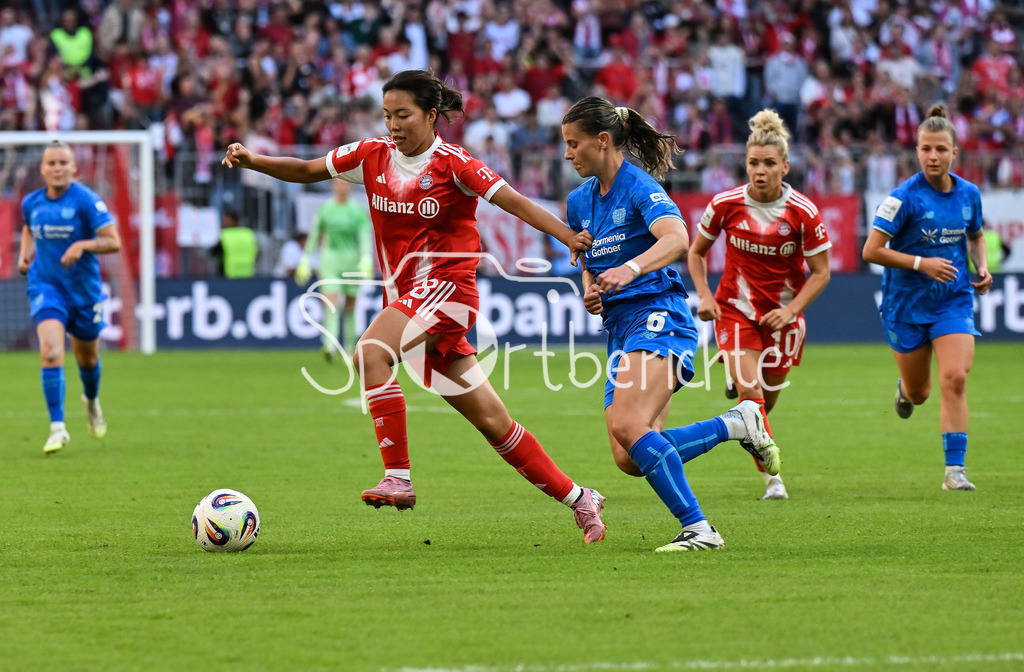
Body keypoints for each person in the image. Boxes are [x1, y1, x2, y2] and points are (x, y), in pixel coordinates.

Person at [222, 70, 606, 543]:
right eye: (387, 115)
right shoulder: (370, 156)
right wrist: (252, 160)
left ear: (430, 115)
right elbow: (306, 170)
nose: (393, 125)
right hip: (411, 303)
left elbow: (515, 202)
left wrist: (567, 235)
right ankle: (580, 498)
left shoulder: (455, 163)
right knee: (493, 422)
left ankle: (398, 478)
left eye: (403, 115)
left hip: (449, 291)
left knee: (369, 352)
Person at [561, 96, 781, 553]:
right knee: (629, 456)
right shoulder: (579, 201)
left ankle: (699, 528)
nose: (568, 154)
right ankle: (737, 423)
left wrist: (632, 269)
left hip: (660, 314)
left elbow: (678, 237)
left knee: (627, 424)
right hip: (622, 327)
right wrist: (590, 285)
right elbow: (586, 255)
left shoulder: (639, 186)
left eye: (574, 144)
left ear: (603, 141)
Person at [687, 109, 833, 501]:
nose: (760, 170)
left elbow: (821, 272)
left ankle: (742, 388)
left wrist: (791, 310)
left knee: (765, 401)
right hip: (735, 309)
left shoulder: (803, 212)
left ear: (785, 166)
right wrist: (703, 294)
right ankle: (773, 479)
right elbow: (696, 253)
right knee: (752, 398)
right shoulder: (725, 204)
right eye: (754, 163)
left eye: (769, 163)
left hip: (782, 318)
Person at [862, 104, 993, 491]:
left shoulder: (969, 194)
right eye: (925, 149)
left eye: (940, 149)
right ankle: (905, 390)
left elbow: (976, 235)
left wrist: (981, 268)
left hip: (952, 298)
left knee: (955, 377)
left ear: (955, 152)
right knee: (920, 393)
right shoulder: (903, 198)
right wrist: (922, 263)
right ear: (916, 151)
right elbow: (871, 250)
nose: (932, 156)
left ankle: (955, 472)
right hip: (906, 306)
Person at [17, 141, 122, 454]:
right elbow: (28, 228)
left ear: (74, 168)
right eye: (52, 163)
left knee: (87, 359)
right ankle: (57, 427)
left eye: (64, 162)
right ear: (42, 169)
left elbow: (112, 241)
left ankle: (90, 400)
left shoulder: (86, 201)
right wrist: (25, 256)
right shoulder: (31, 202)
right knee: (50, 352)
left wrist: (81, 246)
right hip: (46, 285)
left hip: (84, 291)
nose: (58, 168)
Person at [298, 177, 373, 359]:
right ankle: (329, 344)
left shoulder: (357, 211)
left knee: (350, 305)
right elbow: (315, 235)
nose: (342, 187)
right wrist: (306, 259)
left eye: (345, 183)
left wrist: (366, 258)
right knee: (330, 303)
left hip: (351, 262)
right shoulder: (325, 210)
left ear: (350, 186)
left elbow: (364, 236)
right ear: (333, 186)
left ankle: (349, 346)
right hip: (330, 260)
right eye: (339, 183)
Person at [210, 210, 258, 278]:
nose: (224, 222)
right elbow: (256, 251)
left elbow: (214, 252)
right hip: (248, 273)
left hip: (229, 273)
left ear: (234, 220)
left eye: (226, 220)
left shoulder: (225, 234)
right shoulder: (248, 233)